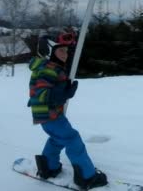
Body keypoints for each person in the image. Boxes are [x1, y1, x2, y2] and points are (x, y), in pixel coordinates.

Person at [28, 39, 108, 189]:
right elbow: (41, 93)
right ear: (49, 52)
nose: (65, 54)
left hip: (45, 115)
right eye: (61, 51)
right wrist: (62, 94)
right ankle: (87, 177)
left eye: (66, 51)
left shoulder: (48, 67)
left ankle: (48, 167)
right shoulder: (49, 69)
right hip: (50, 114)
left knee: (57, 138)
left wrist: (62, 92)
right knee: (72, 139)